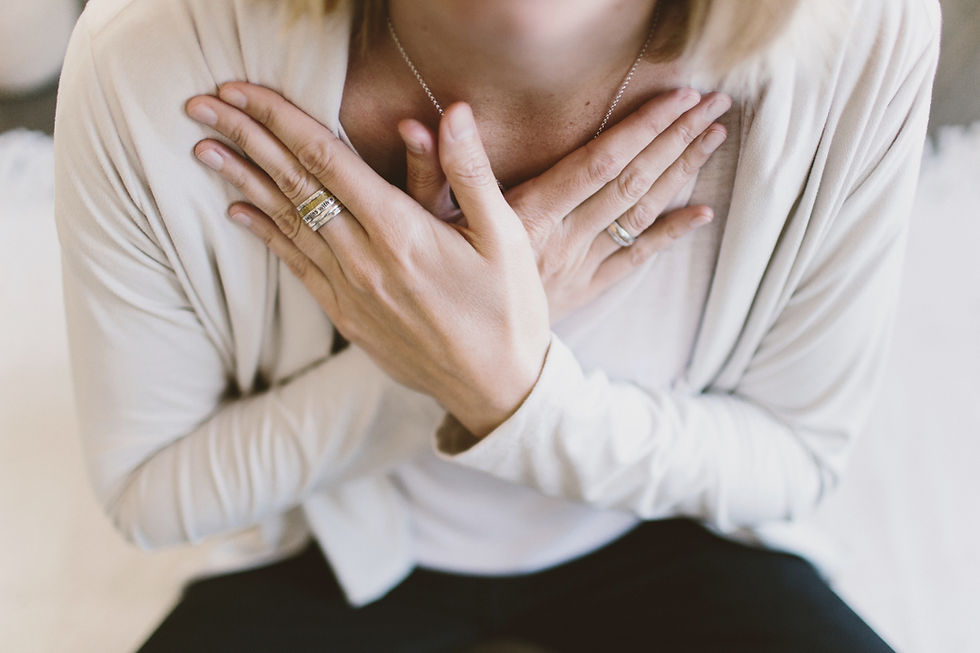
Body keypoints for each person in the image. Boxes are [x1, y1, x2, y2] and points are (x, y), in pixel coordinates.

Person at [53, 0, 940, 650]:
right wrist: (436, 350)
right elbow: (152, 490)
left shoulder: (858, 33)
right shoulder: (151, 58)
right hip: (326, 549)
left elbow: (793, 459)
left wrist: (507, 380)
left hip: (673, 525)